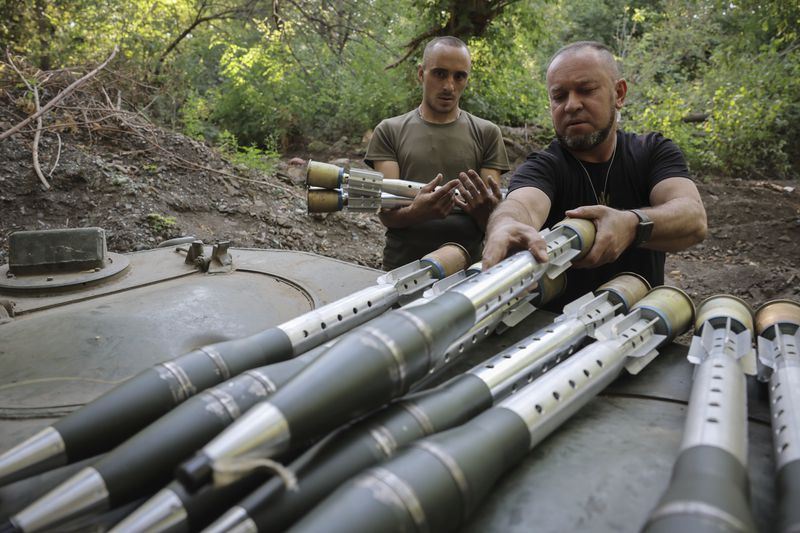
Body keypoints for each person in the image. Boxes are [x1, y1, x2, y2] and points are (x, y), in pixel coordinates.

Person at [483, 41, 707, 309]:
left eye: (586, 90)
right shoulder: (545, 166)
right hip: (553, 335)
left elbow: (693, 219)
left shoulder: (653, 152)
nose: (571, 105)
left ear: (619, 93)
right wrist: (503, 226)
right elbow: (521, 205)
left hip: (642, 327)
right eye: (559, 96)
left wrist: (632, 225)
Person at [365, 36, 510, 269]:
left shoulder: (487, 133)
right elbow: (387, 213)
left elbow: (493, 221)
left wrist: (485, 212)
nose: (449, 86)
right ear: (421, 74)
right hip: (403, 267)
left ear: (467, 79)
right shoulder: (389, 130)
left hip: (470, 270)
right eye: (440, 74)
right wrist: (417, 213)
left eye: (459, 76)